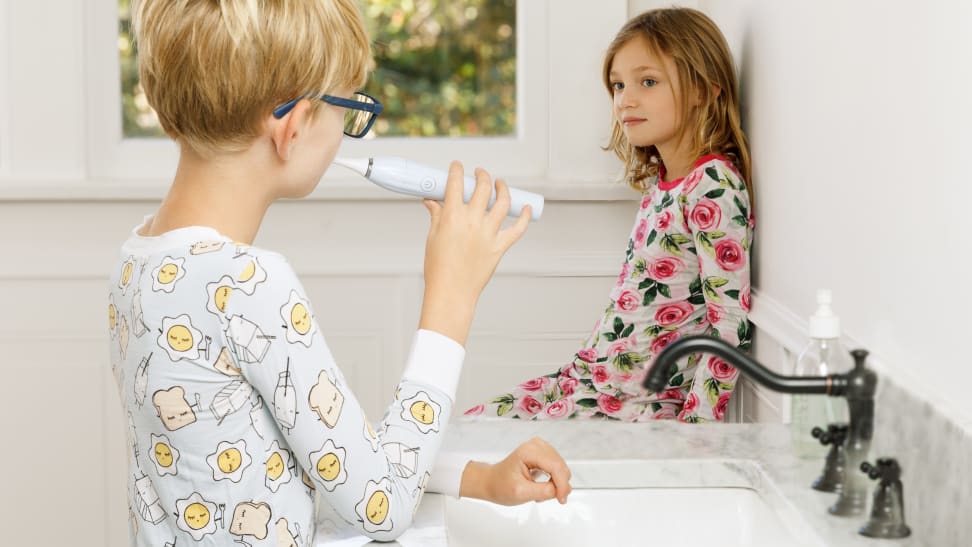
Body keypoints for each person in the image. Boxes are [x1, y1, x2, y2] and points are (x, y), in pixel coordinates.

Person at [107, 1, 571, 545]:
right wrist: (452, 296)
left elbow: (321, 462)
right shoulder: (248, 283)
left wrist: (477, 478)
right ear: (295, 125)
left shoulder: (138, 259)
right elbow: (382, 508)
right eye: (348, 110)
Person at [467, 7, 754, 423]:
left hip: (631, 409)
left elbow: (728, 324)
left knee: (476, 453)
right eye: (618, 85)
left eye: (648, 82)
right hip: (589, 382)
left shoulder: (713, 184)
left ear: (703, 90)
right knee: (465, 430)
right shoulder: (665, 181)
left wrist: (697, 439)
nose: (625, 100)